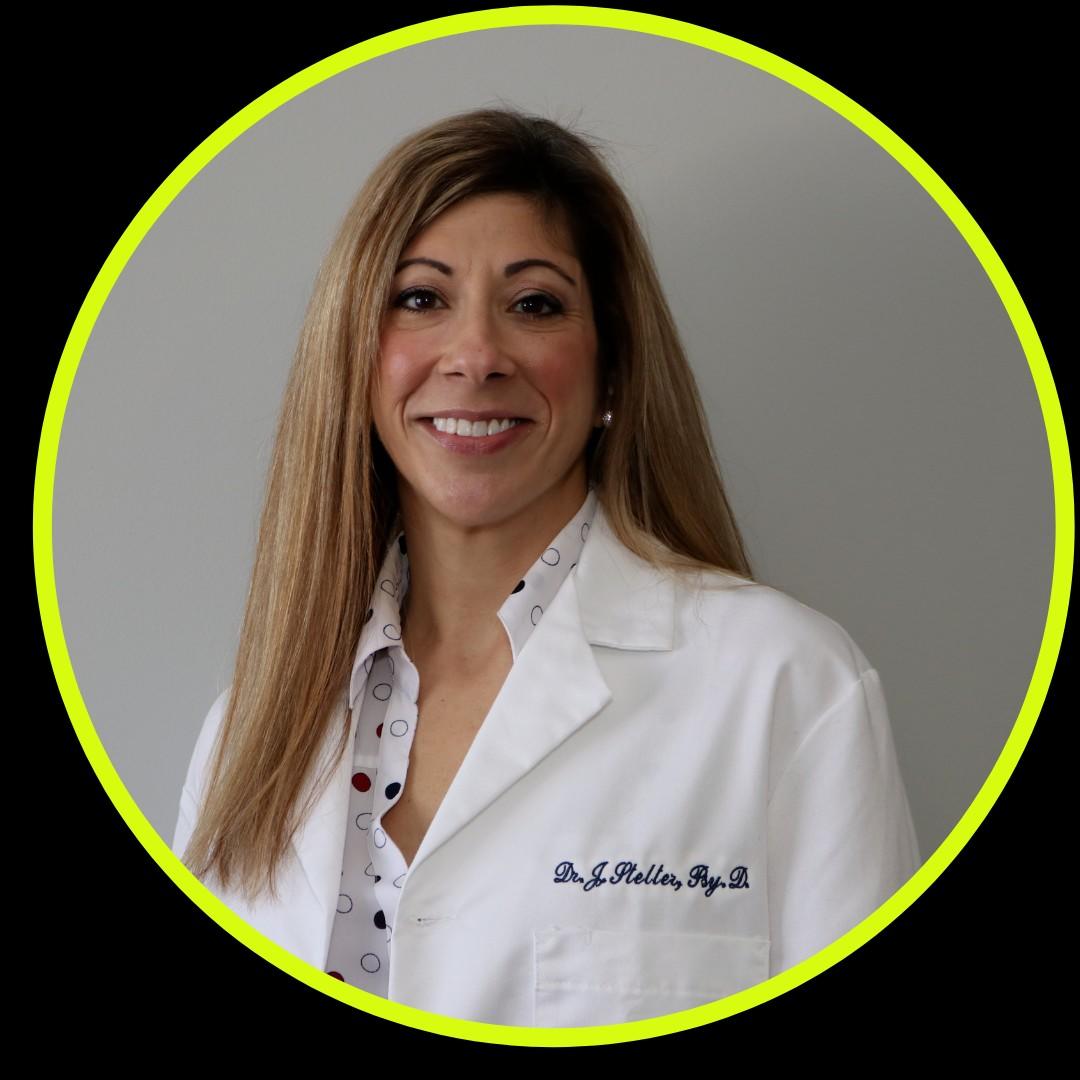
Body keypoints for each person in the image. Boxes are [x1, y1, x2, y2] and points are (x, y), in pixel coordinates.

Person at [172, 105, 920, 1027]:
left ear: (612, 370)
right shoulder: (249, 732)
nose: (476, 356)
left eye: (534, 304)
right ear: (354, 358)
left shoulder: (787, 685)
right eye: (420, 298)